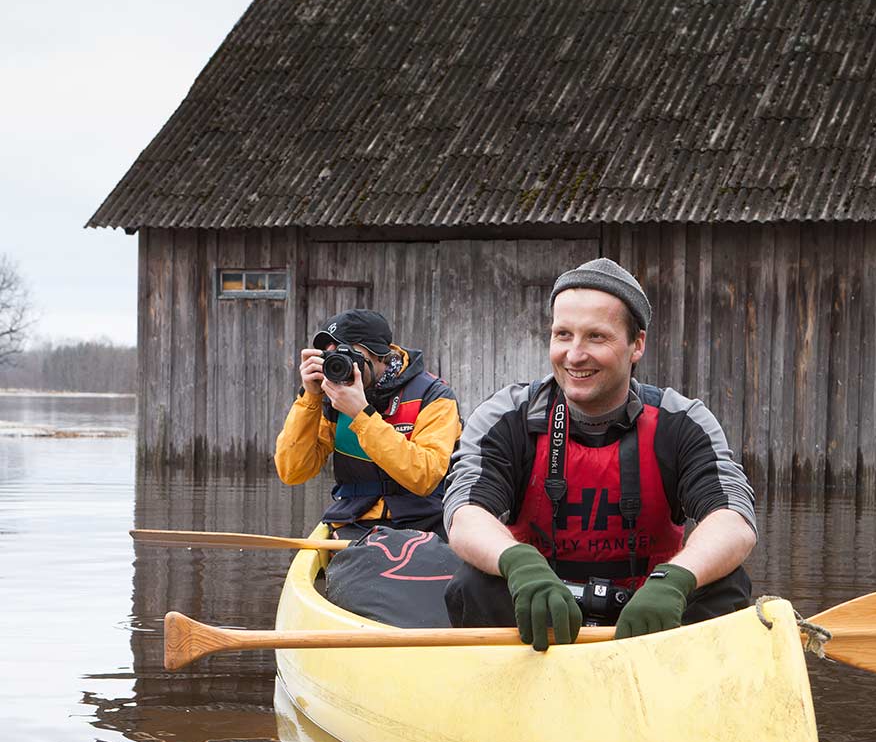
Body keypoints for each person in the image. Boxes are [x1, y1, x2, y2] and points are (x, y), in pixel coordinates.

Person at [443, 258, 756, 651]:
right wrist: (518, 562)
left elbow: (734, 518)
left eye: (596, 337)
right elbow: (463, 513)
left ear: (636, 344)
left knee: (728, 585)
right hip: (537, 609)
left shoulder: (682, 421)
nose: (574, 355)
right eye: (563, 335)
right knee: (474, 583)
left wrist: (677, 577)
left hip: (649, 614)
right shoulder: (507, 416)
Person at [275, 309, 461, 536]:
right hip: (355, 522)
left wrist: (361, 414)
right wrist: (310, 399)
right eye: (331, 355)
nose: (341, 365)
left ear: (380, 355)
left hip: (426, 521)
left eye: (349, 354)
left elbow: (426, 477)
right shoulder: (330, 398)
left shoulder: (434, 396)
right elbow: (292, 471)